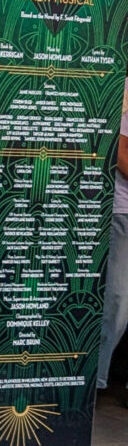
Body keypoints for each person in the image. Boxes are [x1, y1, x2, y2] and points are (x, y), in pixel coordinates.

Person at [98, 107, 128, 398]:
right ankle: (94, 382)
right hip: (123, 213)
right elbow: (119, 155)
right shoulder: (126, 95)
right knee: (117, 302)